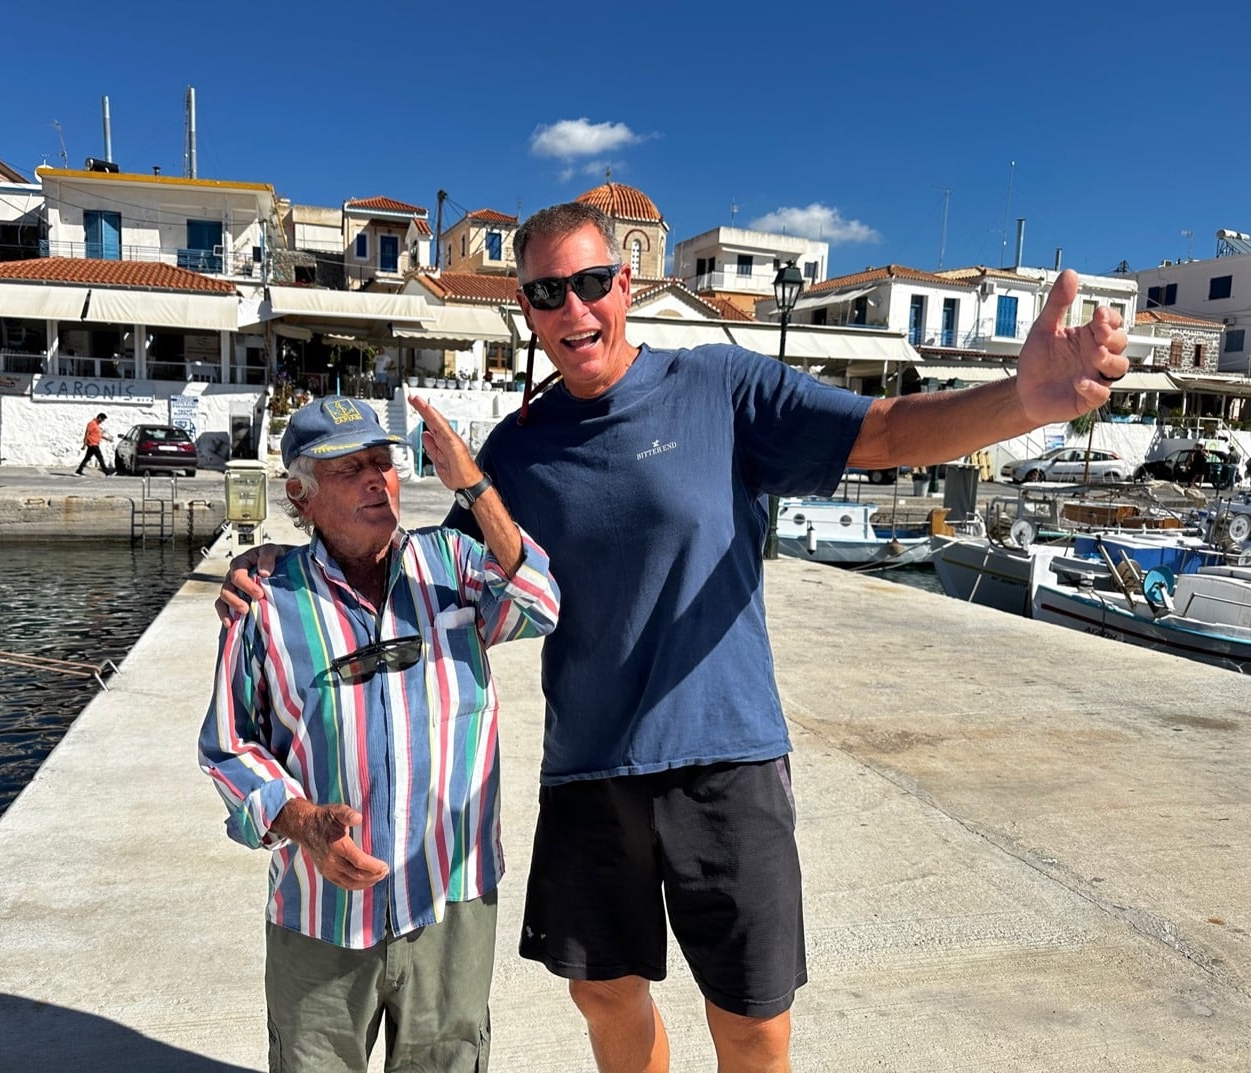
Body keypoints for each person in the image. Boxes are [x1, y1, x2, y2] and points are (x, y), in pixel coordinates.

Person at [218, 202, 1129, 1073]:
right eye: (544, 293)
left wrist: (1022, 399)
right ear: (527, 312)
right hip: (589, 771)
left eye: (590, 282)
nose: (572, 307)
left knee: (752, 1019)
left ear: (625, 284)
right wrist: (279, 560)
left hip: (724, 758)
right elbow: (420, 584)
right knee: (606, 1000)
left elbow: (882, 433)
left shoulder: (719, 387)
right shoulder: (517, 453)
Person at [199, 395, 559, 1072]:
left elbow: (540, 600)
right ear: (299, 497)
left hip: (451, 897)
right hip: (321, 909)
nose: (376, 479)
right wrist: (301, 819)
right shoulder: (264, 599)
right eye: (349, 469)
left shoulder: (451, 563)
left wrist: (474, 486)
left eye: (383, 463)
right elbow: (228, 744)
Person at [75, 412, 112, 476]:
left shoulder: (96, 425)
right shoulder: (92, 424)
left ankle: (79, 471)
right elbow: (87, 433)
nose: (102, 421)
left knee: (87, 458)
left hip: (94, 444)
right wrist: (84, 444)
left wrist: (107, 439)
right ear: (99, 418)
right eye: (102, 420)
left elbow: (99, 435)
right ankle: (107, 473)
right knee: (100, 458)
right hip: (93, 444)